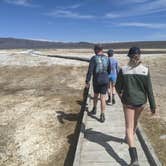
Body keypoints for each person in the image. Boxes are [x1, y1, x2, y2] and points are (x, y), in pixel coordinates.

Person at [115, 47, 156, 166]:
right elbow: (149, 90)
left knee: (128, 127)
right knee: (135, 122)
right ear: (139, 56)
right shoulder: (145, 70)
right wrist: (153, 106)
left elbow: (118, 87)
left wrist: (122, 97)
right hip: (141, 103)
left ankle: (134, 159)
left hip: (128, 102)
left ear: (129, 56)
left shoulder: (123, 70)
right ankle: (130, 138)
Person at [85, 45, 110, 122]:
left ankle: (94, 109)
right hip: (105, 80)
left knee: (95, 95)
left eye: (94, 50)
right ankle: (102, 115)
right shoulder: (107, 58)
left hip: (97, 80)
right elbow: (109, 70)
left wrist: (87, 81)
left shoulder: (93, 58)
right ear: (102, 50)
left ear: (96, 50)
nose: (94, 51)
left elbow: (90, 71)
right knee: (103, 98)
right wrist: (106, 76)